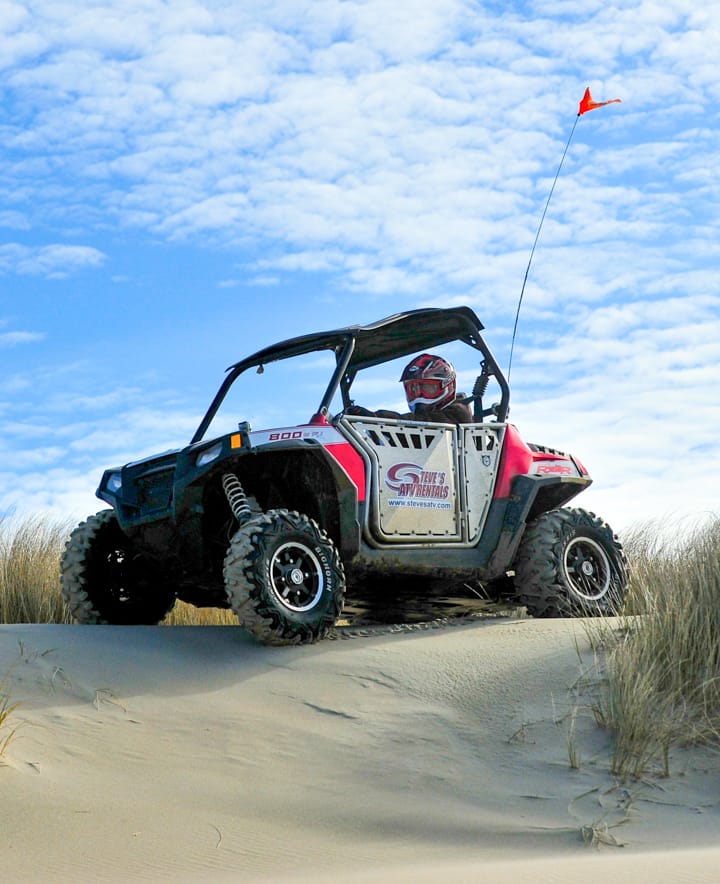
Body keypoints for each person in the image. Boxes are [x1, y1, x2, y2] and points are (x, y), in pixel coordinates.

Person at [345, 353, 472, 424]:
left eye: (426, 388)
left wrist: (375, 417)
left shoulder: (457, 414)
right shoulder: (419, 426)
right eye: (413, 390)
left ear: (446, 385)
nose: (419, 396)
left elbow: (418, 423)